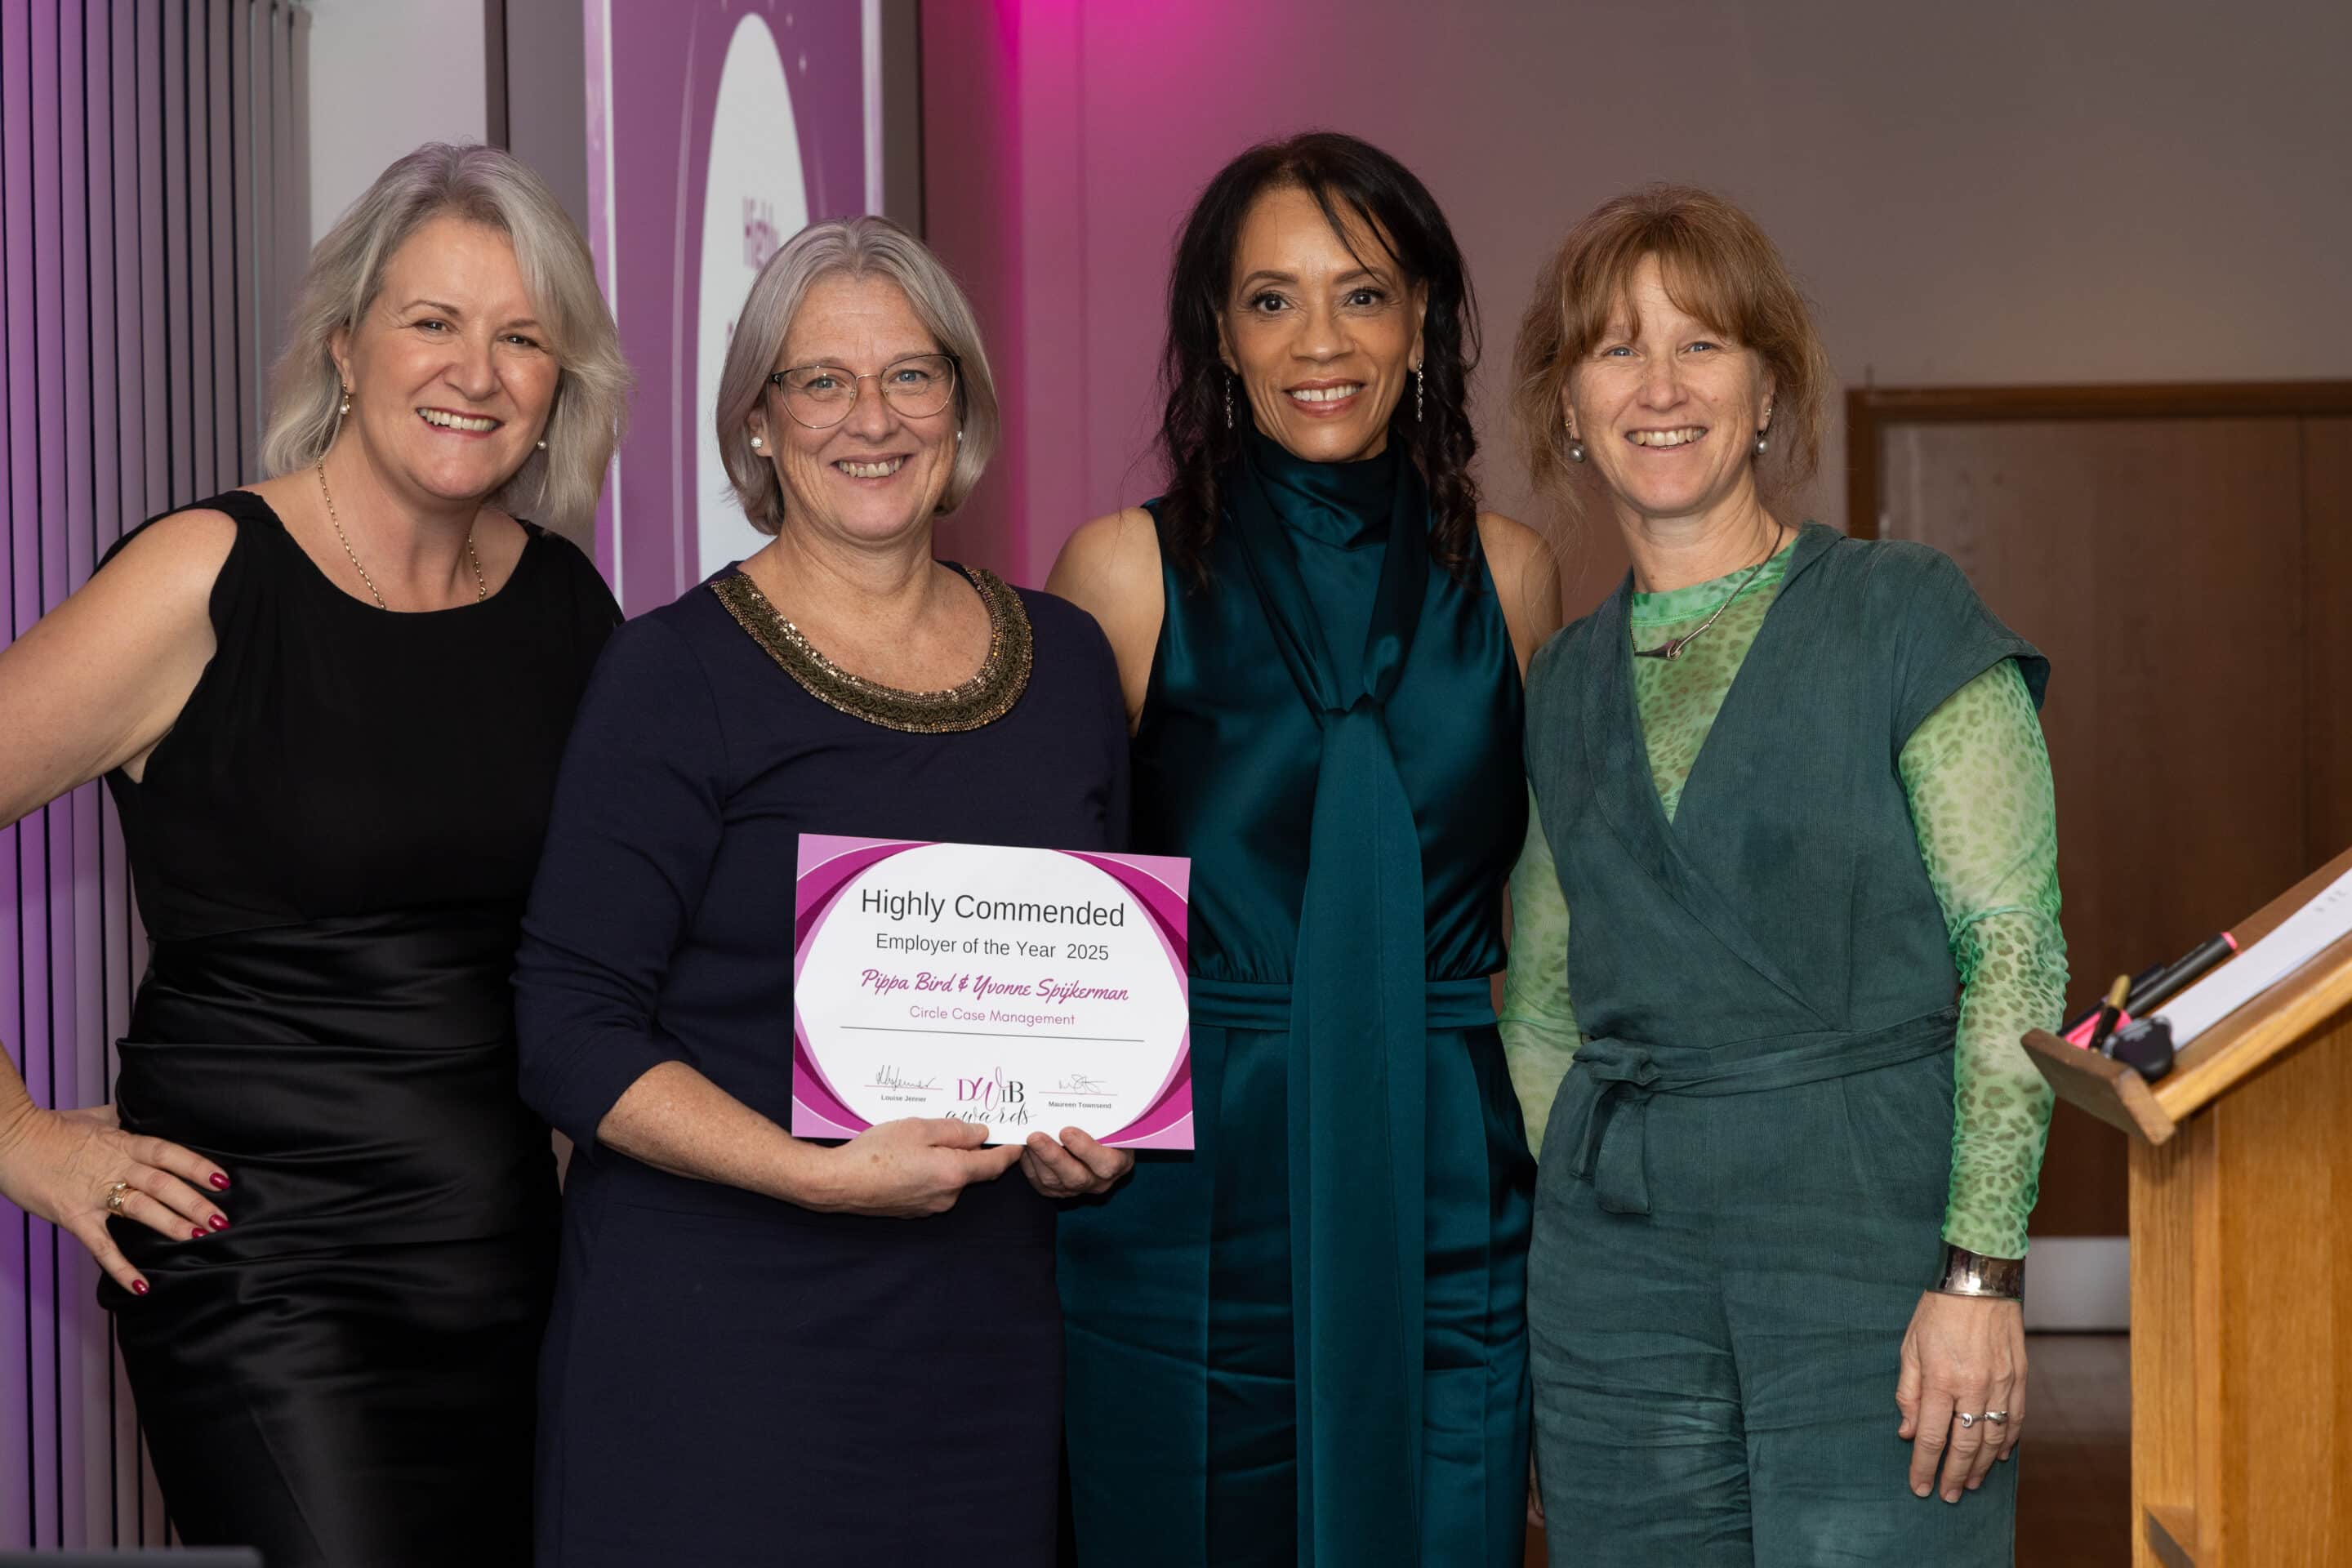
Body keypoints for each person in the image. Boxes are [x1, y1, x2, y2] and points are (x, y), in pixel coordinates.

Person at [0, 142, 629, 1565]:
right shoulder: (207, 575)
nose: (477, 369)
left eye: (521, 335)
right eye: (433, 321)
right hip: (264, 1275)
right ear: (346, 344)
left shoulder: (566, 609)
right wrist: (19, 1139)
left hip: (510, 1267)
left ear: (556, 388)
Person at [514, 214, 1132, 1566]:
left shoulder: (1072, 665)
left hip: (985, 1360)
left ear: (960, 409)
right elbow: (568, 1028)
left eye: (913, 375)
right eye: (822, 380)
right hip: (717, 1356)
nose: (873, 418)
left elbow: (1110, 983)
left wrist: (1096, 1136)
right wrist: (815, 1177)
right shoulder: (671, 675)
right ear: (759, 423)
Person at [1499, 185, 2065, 1564]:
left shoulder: (1904, 613)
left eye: (1702, 344)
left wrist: (1981, 1276)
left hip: (1869, 1246)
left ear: (1768, 389)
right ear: (1567, 406)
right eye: (1617, 350)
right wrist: (1563, 1258)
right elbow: (1545, 1012)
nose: (1660, 386)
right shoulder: (1563, 679)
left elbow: (2016, 953)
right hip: (1615, 1280)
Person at [1047, 132, 1559, 1567]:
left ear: (1424, 325)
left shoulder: (1517, 578)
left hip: (1449, 1176)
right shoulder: (1120, 573)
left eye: (1363, 295)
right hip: (1192, 1183)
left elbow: (1551, 916)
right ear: (1219, 332)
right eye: (1271, 300)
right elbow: (1059, 907)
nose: (1318, 341)